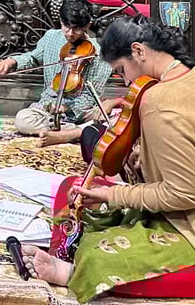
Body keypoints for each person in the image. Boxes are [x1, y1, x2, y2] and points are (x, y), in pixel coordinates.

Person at [21, 16, 195, 303]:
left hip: (186, 219)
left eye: (122, 70)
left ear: (138, 51)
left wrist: (113, 194)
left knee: (96, 250)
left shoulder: (158, 102)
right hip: (179, 199)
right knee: (82, 197)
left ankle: (73, 271)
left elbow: (182, 192)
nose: (126, 81)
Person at [0, 0, 112, 140]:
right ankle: (78, 131)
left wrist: (66, 108)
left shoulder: (98, 54)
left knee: (99, 116)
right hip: (49, 105)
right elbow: (33, 57)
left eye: (76, 29)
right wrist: (12, 61)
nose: (70, 33)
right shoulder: (51, 37)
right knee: (22, 119)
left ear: (87, 25)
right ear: (61, 21)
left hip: (79, 111)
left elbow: (91, 96)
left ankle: (74, 130)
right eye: (66, 26)